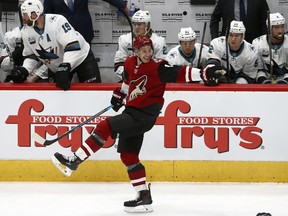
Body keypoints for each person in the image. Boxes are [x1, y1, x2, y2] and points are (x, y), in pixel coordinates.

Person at [51, 36, 225, 212]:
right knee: (128, 156)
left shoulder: (158, 66)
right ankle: (143, 195)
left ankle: (76, 159)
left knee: (104, 126)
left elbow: (182, 73)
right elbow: (128, 81)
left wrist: (205, 73)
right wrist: (120, 95)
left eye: (149, 50)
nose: (147, 54)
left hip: (144, 116)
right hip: (131, 112)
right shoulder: (129, 63)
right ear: (135, 52)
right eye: (143, 51)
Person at [19, 0, 101, 89]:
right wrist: (24, 70)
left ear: (34, 14)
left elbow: (72, 45)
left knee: (92, 89)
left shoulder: (57, 21)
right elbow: (31, 56)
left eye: (24, 14)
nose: (23, 18)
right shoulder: (25, 32)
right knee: (58, 95)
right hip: (58, 65)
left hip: (81, 58)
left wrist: (65, 65)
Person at [114, 10, 167, 82]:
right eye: (134, 24)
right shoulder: (124, 39)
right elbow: (118, 64)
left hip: (151, 81)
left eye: (139, 24)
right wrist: (129, 76)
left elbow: (162, 66)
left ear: (147, 25)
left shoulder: (158, 42)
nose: (136, 27)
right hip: (129, 80)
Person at [44, 0, 129, 45]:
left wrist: (123, 6)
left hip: (84, 33)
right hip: (63, 37)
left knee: (87, 72)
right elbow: (48, 17)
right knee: (65, 71)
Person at [252, 12, 288, 84]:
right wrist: (263, 81)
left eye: (282, 26)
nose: (280, 30)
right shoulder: (257, 43)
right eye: (277, 27)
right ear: (269, 29)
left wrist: (285, 81)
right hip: (265, 79)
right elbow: (258, 69)